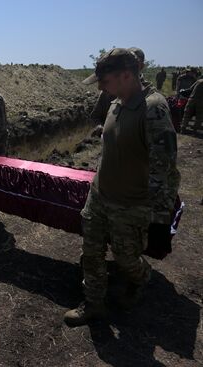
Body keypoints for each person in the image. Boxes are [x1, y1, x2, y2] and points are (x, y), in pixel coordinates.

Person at [65, 48, 180, 327]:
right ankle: (93, 304)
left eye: (104, 81)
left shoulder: (153, 108)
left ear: (126, 75)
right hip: (100, 196)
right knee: (90, 254)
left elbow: (164, 167)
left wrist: (159, 217)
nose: (101, 87)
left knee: (126, 258)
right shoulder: (115, 102)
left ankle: (140, 279)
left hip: (131, 204)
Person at [90, 47, 148, 126]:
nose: (100, 87)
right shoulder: (108, 91)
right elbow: (95, 117)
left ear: (141, 66)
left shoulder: (150, 101)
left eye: (135, 62)